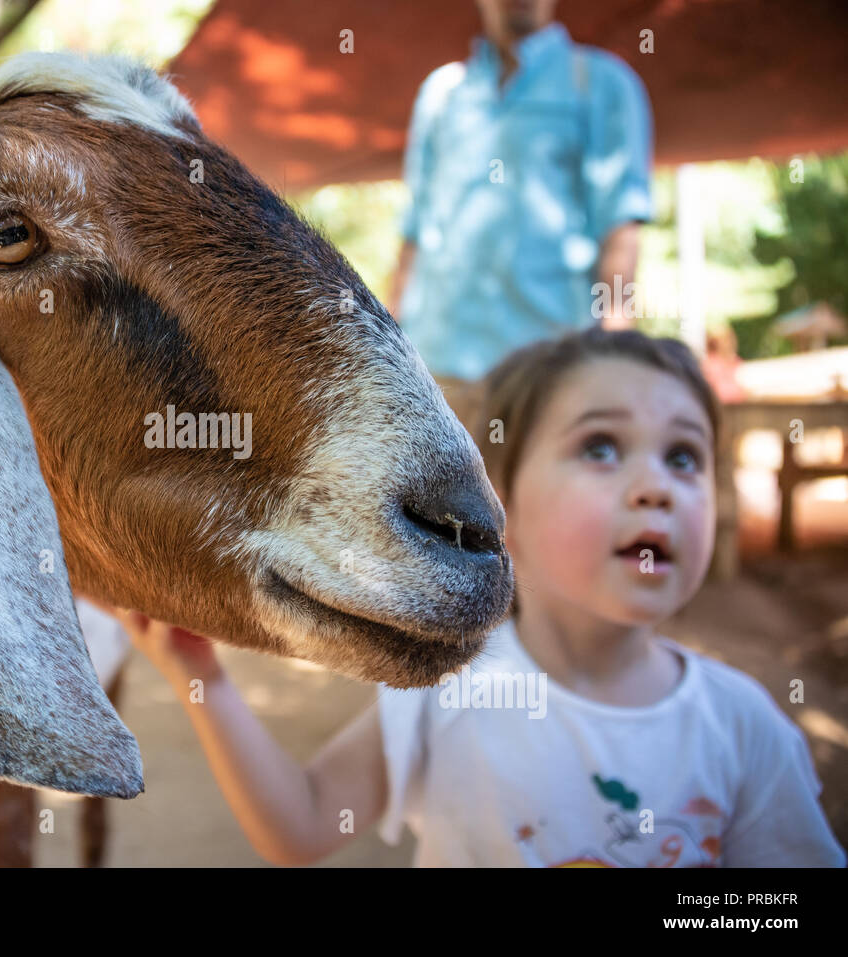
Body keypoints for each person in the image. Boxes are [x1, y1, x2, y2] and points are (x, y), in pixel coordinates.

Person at [117, 328, 846, 867]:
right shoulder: (447, 687)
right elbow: (303, 826)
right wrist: (201, 677)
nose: (656, 484)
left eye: (684, 456)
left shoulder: (744, 726)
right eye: (600, 446)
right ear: (500, 506)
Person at [387, 0, 653, 424]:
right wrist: (390, 348)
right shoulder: (442, 93)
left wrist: (616, 359)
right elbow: (415, 229)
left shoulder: (601, 83)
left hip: (550, 372)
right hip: (435, 372)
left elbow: (620, 225)